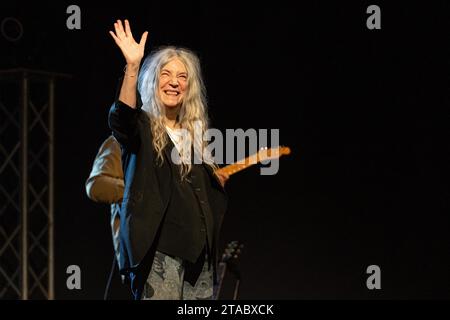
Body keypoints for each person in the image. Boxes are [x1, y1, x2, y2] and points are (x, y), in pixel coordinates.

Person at [108, 19, 229, 300]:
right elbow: (122, 118)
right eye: (166, 74)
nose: (174, 82)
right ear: (153, 80)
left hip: (201, 260)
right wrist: (133, 67)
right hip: (160, 258)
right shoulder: (142, 128)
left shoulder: (195, 136)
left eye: (182, 77)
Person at [85, 135, 129, 299]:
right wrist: (139, 193)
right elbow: (95, 185)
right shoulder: (124, 140)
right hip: (147, 264)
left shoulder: (187, 143)